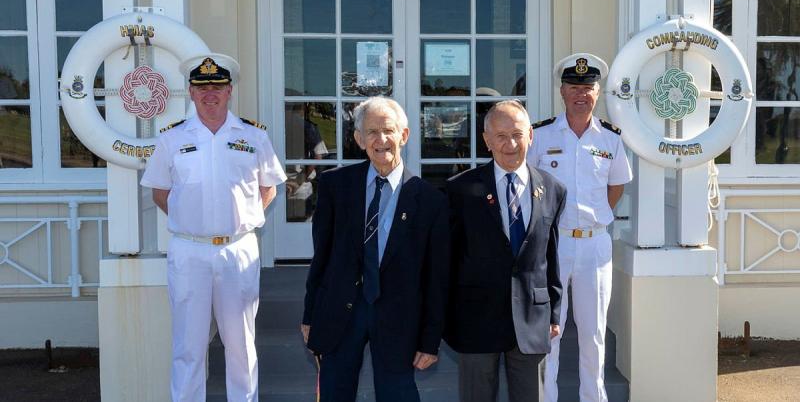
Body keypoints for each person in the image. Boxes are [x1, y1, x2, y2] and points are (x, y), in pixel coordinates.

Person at [140, 54, 287, 402]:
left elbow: (269, 188)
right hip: (189, 251)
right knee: (188, 346)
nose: (210, 93)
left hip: (238, 250)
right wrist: (194, 220)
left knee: (241, 345)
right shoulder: (171, 139)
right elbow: (161, 192)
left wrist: (241, 219)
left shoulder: (253, 135)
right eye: (202, 87)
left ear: (229, 91)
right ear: (190, 92)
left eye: (217, 86)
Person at [301, 96, 450, 402]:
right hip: (341, 311)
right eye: (371, 132)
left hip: (399, 319)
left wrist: (430, 339)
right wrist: (310, 314)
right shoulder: (334, 186)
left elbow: (436, 279)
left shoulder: (430, 201)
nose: (381, 140)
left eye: (389, 131)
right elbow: (322, 257)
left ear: (404, 136)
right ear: (359, 139)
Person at [445, 100, 566, 402]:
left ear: (531, 136)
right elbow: (447, 261)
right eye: (500, 136)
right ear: (486, 140)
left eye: (517, 134)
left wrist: (552, 311)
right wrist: (444, 316)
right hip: (476, 318)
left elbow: (549, 257)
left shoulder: (552, 189)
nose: (510, 144)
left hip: (530, 319)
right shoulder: (459, 190)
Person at [528, 53, 633, 402]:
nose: (581, 94)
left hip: (594, 247)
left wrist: (597, 213)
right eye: (574, 86)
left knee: (593, 335)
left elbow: (616, 186)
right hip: (552, 246)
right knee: (549, 334)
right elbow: (526, 184)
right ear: (562, 91)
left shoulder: (610, 139)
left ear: (597, 92)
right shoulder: (540, 136)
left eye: (587, 88)